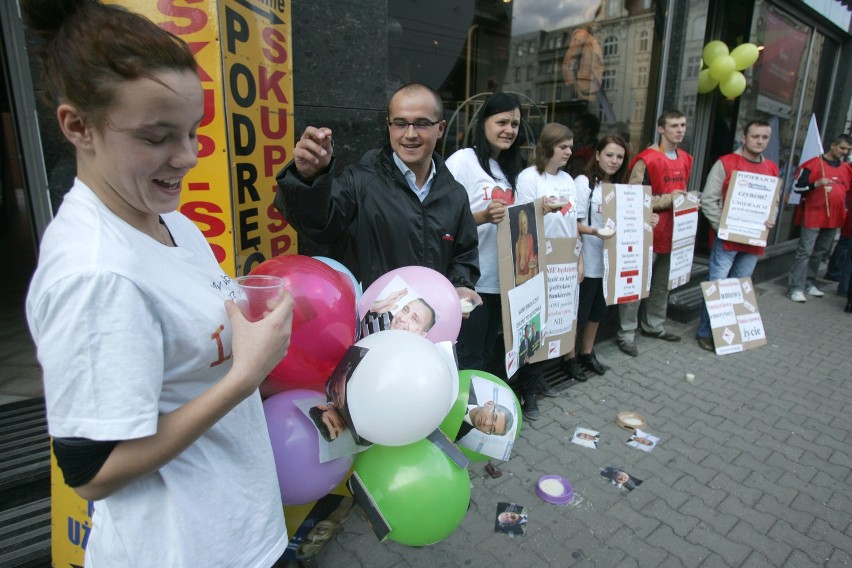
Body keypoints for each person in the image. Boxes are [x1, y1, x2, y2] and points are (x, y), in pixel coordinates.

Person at [22, 1, 294, 566]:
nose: (188, 157)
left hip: (239, 530)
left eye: (193, 132)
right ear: (78, 126)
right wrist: (245, 376)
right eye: (157, 137)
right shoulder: (95, 274)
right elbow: (92, 471)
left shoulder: (168, 218)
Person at [274, 82, 481, 305]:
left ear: (440, 128)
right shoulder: (359, 181)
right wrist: (310, 178)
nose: (410, 134)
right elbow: (319, 223)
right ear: (389, 126)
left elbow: (464, 255)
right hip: (371, 327)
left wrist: (460, 286)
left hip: (430, 323)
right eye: (400, 124)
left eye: (422, 124)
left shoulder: (455, 194)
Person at [446, 92, 551, 420]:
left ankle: (485, 418)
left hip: (507, 278)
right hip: (471, 279)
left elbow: (516, 222)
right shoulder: (462, 161)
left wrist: (537, 211)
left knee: (495, 352)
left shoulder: (513, 168)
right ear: (484, 123)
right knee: (467, 355)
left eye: (515, 124)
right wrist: (481, 216)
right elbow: (441, 218)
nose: (509, 129)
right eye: (502, 122)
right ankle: (461, 420)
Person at [696, 120, 780, 351]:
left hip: (753, 241)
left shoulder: (772, 168)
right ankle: (705, 332)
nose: (760, 141)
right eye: (755, 137)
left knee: (740, 287)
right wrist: (723, 226)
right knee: (717, 286)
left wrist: (771, 217)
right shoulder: (726, 163)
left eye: (765, 137)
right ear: (744, 138)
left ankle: (729, 334)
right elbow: (709, 200)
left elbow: (774, 202)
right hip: (727, 240)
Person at [617, 110, 693, 356]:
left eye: (682, 125)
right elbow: (632, 197)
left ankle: (654, 325)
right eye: (673, 125)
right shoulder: (647, 159)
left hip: (675, 233)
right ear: (661, 129)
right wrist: (668, 200)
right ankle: (627, 333)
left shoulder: (687, 159)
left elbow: (680, 194)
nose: (679, 130)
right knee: (636, 286)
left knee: (662, 285)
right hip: (647, 232)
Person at [516, 122, 588, 381]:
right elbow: (521, 221)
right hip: (538, 259)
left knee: (558, 318)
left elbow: (573, 224)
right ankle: (530, 386)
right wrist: (541, 209)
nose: (569, 152)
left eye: (571, 146)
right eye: (563, 146)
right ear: (548, 147)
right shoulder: (528, 178)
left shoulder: (568, 179)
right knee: (535, 323)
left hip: (565, 262)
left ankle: (544, 377)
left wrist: (579, 258)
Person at [575, 135, 647, 374]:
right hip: (587, 262)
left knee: (597, 313)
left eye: (619, 156)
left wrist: (648, 221)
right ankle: (569, 358)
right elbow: (571, 224)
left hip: (610, 264)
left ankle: (587, 353)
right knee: (579, 314)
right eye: (609, 155)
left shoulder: (621, 189)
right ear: (597, 155)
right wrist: (593, 233)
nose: (614, 161)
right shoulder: (584, 183)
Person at [787, 134, 852, 302]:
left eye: (848, 150)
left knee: (820, 252)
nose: (844, 152)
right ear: (833, 145)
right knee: (805, 251)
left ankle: (809, 281)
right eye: (842, 148)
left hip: (834, 217)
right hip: (814, 215)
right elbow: (798, 188)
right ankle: (795, 287)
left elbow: (846, 191)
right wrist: (815, 184)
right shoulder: (814, 164)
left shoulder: (846, 169)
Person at [360, 289, 437, 337]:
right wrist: (372, 307)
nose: (402, 318)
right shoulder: (382, 318)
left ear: (422, 334)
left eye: (414, 319)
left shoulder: (413, 360)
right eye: (405, 310)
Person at [513, 208, 538, 285]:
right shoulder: (517, 244)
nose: (524, 226)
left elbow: (534, 272)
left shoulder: (531, 239)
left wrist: (525, 277)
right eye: (521, 224)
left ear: (527, 223)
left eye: (525, 222)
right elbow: (516, 280)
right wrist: (527, 277)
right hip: (521, 287)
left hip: (532, 285)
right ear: (519, 226)